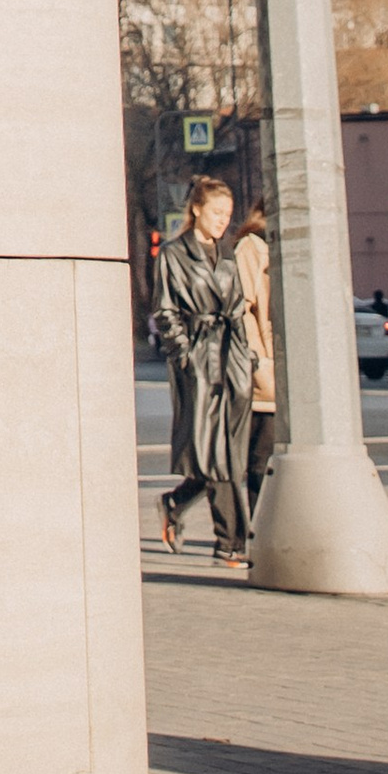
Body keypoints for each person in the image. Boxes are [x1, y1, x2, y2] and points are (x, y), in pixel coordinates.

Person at [152, 174, 255, 561]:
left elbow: (238, 309)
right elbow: (164, 310)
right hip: (198, 360)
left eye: (227, 213)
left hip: (231, 360)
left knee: (226, 451)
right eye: (216, 212)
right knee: (215, 449)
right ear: (196, 209)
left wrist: (247, 357)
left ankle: (177, 504)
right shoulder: (174, 254)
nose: (223, 220)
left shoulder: (226, 254)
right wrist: (184, 355)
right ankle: (231, 542)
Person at [232, 196, 277, 523]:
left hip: (285, 366)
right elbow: (242, 307)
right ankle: (254, 531)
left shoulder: (287, 243)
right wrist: (258, 357)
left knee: (271, 455)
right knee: (259, 456)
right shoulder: (253, 244)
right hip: (265, 366)